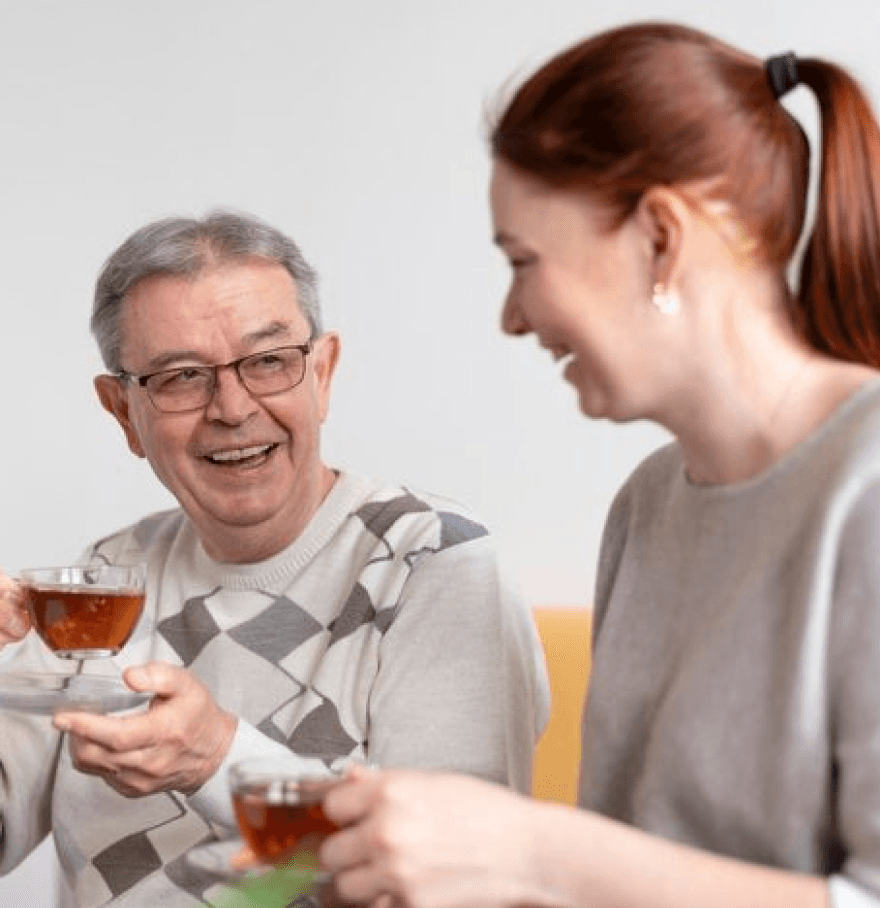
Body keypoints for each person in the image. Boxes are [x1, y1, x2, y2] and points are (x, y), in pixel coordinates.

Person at [319, 20, 880, 908]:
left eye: (524, 261)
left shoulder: (867, 485)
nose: (512, 315)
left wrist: (531, 854)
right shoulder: (649, 505)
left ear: (660, 237)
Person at [0, 211, 550, 907]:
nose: (232, 407)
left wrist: (217, 760)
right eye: (179, 377)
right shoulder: (109, 578)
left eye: (268, 362)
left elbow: (456, 881)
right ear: (121, 412)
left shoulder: (436, 564)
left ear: (321, 373)